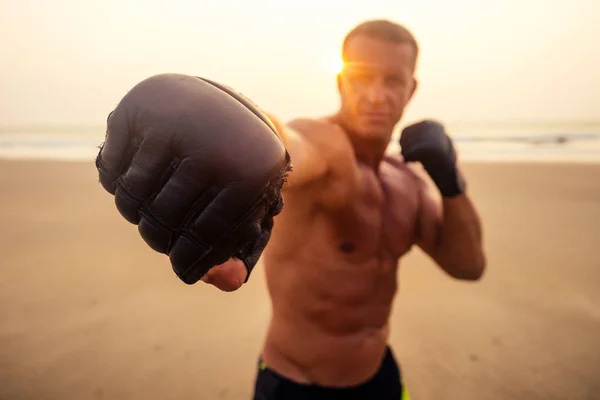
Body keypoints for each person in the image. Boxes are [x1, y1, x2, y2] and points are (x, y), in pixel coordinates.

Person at [96, 19, 486, 400]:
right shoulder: (327, 147)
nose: (376, 95)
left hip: (379, 374)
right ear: (341, 80)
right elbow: (289, 143)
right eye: (362, 77)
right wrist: (241, 133)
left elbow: (468, 265)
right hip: (295, 386)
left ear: (411, 88)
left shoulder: (410, 184)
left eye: (392, 80)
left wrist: (451, 182)